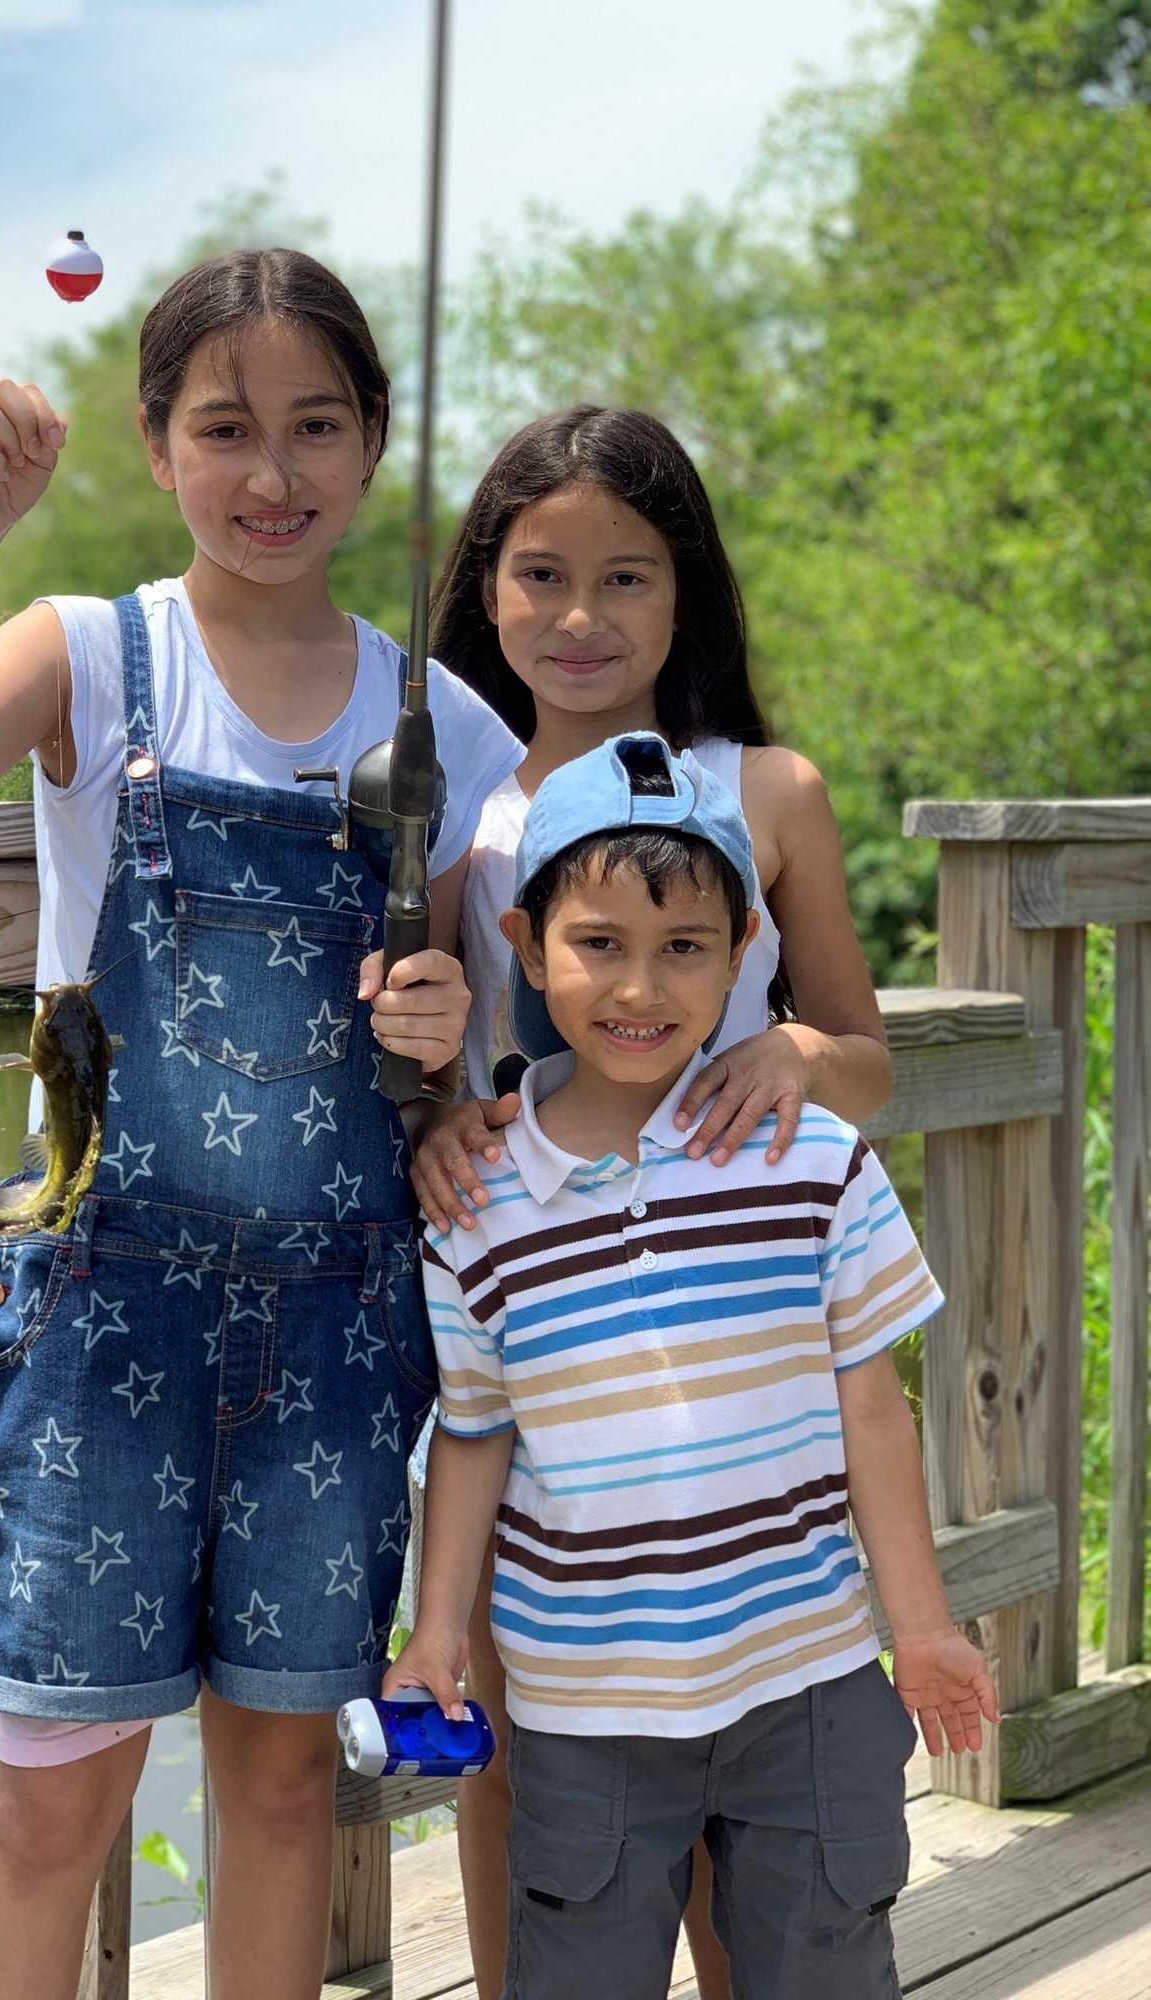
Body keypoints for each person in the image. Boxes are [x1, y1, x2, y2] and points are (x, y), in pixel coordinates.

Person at [0, 248, 522, 2000]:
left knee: (285, 1788)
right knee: (52, 1801)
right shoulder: (89, 655)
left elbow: (529, 1024)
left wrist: (444, 1034)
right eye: (226, 428)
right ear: (154, 444)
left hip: (342, 1339)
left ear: (368, 449)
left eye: (316, 427)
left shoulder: (450, 722)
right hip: (99, 1316)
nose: (272, 474)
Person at [388, 732, 998, 2000]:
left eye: (685, 947)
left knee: (822, 1966)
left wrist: (924, 1628)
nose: (640, 985)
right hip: (585, 1704)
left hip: (809, 1679)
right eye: (598, 941)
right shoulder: (476, 1193)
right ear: (525, 937)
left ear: (744, 951)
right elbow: (474, 1432)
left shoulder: (810, 1158)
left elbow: (874, 1413)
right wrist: (436, 1633)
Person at [408, 406, 893, 2000]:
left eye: (626, 576)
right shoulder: (458, 819)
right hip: (549, 1358)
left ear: (685, 594)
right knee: (538, 1741)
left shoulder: (774, 788)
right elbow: (443, 1057)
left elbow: (870, 1060)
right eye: (539, 574)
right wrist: (430, 1123)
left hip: (746, 1346)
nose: (579, 617)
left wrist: (801, 1055)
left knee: (749, 1758)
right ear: (486, 589)